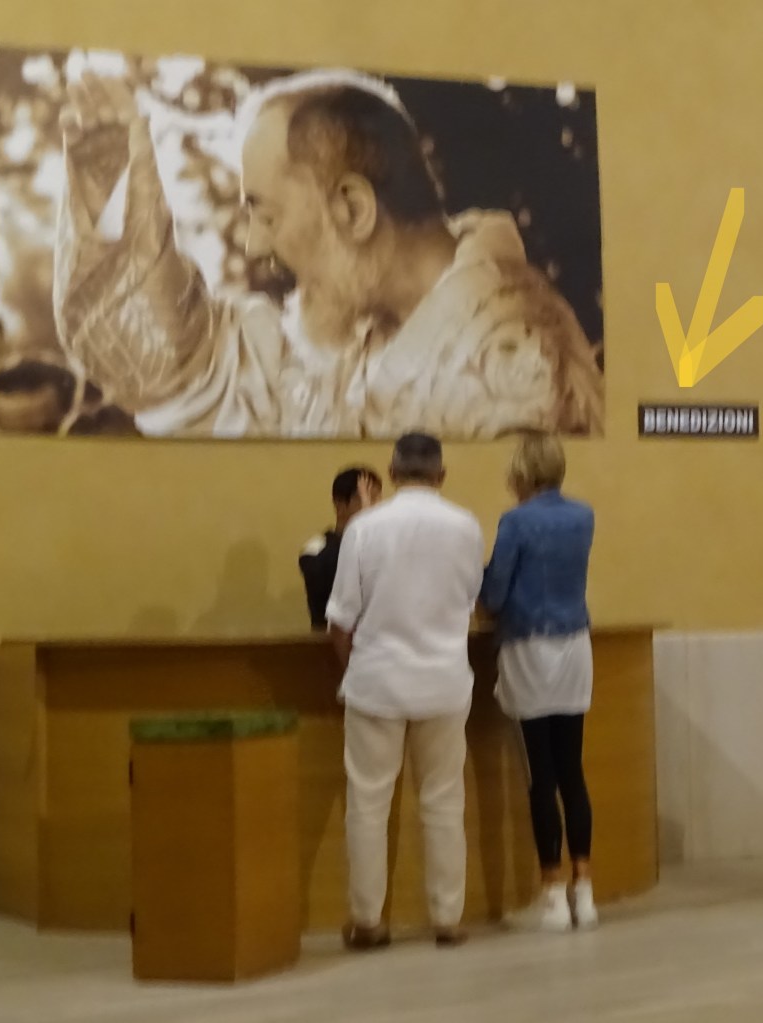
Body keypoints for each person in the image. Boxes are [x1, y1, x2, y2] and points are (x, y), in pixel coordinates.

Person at [52, 67, 603, 439]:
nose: (255, 244)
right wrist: (115, 185)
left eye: (267, 215)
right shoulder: (365, 325)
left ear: (353, 209)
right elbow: (189, 376)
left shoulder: (520, 376)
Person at [325, 433, 484, 949]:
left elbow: (340, 620)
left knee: (368, 804)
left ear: (392, 474)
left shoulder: (364, 528)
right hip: (445, 681)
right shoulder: (466, 527)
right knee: (444, 801)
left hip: (377, 680)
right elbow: (470, 602)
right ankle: (448, 918)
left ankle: (368, 920)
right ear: (442, 475)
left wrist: (356, 667)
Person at [479, 431, 598, 931]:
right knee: (572, 769)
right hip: (575, 645)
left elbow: (495, 593)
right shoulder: (583, 516)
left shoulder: (516, 521)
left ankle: (551, 892)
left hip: (528, 647)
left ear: (522, 471)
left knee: (541, 774)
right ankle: (584, 888)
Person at [299, 466, 382, 630]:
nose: (374, 508)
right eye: (366, 499)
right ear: (340, 505)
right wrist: (363, 530)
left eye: (376, 499)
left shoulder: (381, 543)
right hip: (329, 638)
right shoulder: (316, 549)